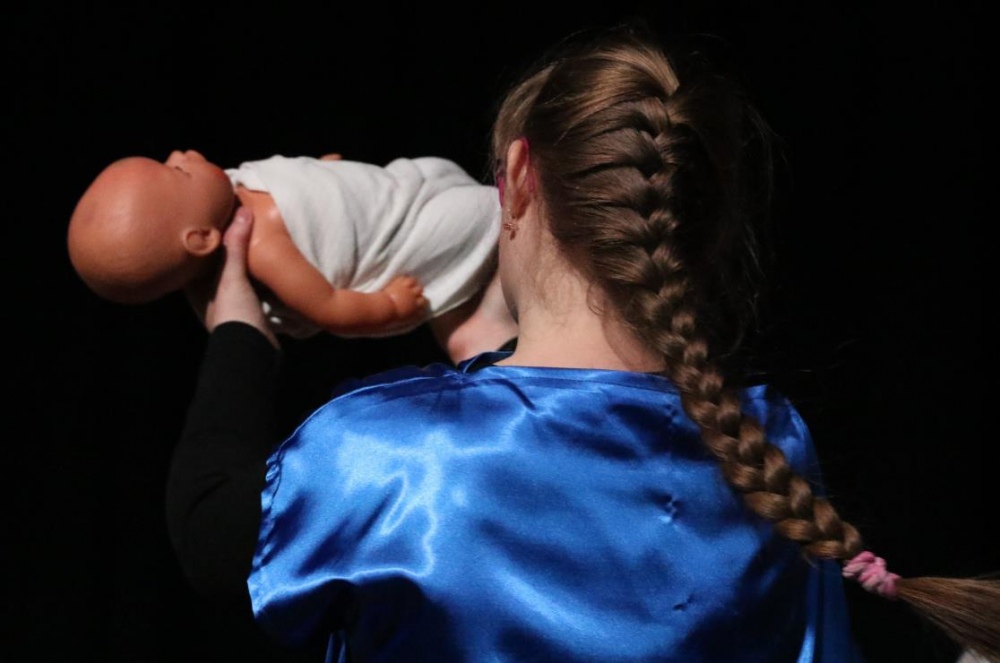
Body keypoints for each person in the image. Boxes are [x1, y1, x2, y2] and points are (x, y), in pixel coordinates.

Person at [165, 24, 1000, 663]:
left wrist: (237, 326)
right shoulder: (770, 443)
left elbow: (209, 529)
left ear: (520, 178)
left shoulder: (384, 451)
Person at [67, 150, 517, 362]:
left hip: (395, 192)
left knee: (460, 201)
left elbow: (297, 190)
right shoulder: (262, 247)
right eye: (179, 173)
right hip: (407, 232)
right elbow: (328, 306)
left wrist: (318, 176)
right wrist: (388, 306)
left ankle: (478, 323)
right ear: (201, 239)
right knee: (488, 215)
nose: (180, 154)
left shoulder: (235, 191)